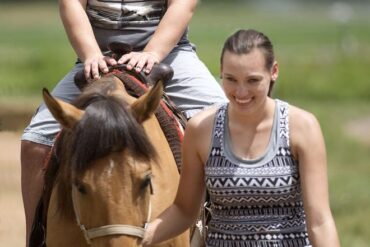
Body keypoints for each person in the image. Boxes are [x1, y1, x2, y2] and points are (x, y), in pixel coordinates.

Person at [20, 0, 227, 245]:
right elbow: (71, 3)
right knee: (36, 141)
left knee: (227, 126)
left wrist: (152, 52)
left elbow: (183, 5)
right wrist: (91, 55)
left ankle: (224, 232)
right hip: (98, 55)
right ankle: (36, 238)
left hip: (170, 53)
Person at [142, 29, 341, 247]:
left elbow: (320, 222)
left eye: (252, 80)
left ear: (274, 71)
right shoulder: (200, 129)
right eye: (231, 79)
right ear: (220, 72)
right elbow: (183, 211)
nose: (241, 92)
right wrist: (132, 240)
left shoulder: (302, 127)